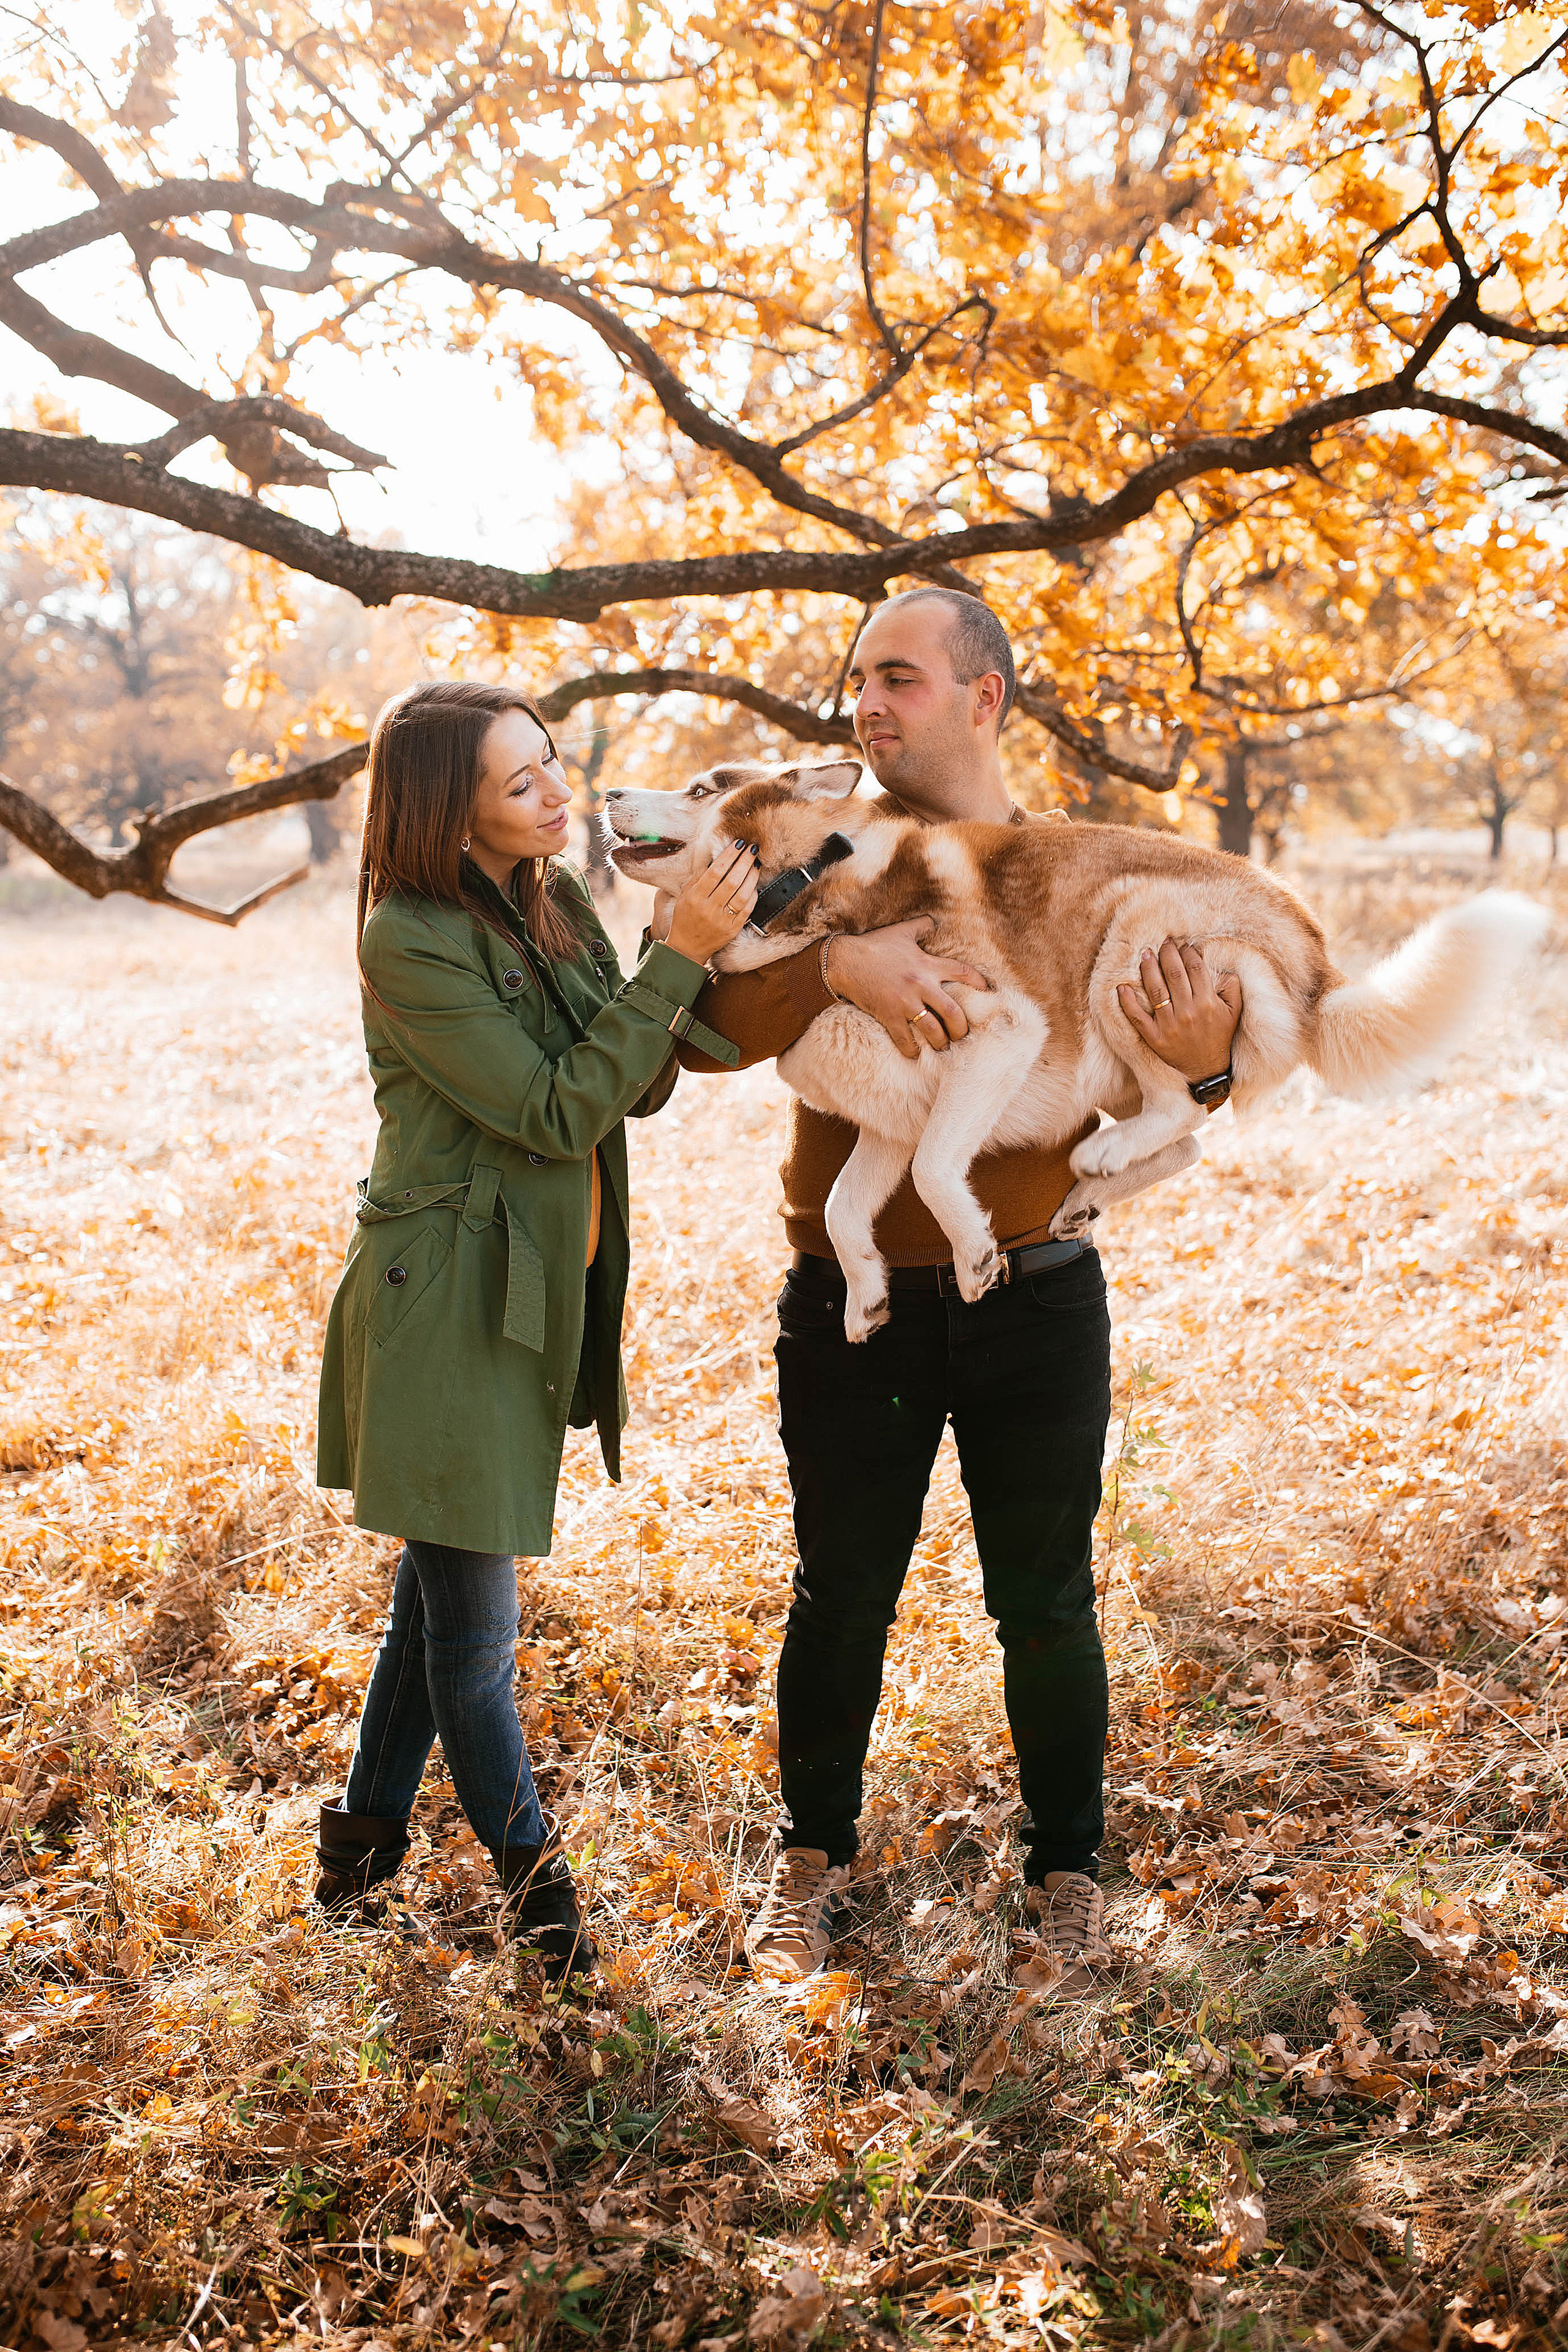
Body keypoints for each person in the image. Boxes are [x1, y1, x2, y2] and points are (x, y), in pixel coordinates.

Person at [671, 589, 1242, 1991]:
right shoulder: (810, 853)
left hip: (1035, 1292)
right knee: (838, 1593)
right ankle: (810, 1865)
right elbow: (696, 1029)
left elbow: (1186, 1051)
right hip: (849, 1300)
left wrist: (1213, 1061)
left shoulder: (1072, 868)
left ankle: (1067, 1878)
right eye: (856, 679)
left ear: (984, 698)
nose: (866, 702)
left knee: (1045, 1600)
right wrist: (836, 956)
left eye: (901, 679)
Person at [313, 680, 756, 1976]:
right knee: (477, 1635)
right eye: (522, 784)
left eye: (553, 763)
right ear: (454, 817)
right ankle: (544, 1909)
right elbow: (560, 1111)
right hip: (445, 1300)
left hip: (532, 1282)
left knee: (437, 1593)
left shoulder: (553, 899)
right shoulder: (409, 936)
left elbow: (644, 1078)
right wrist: (674, 956)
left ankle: (357, 1853)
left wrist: (708, 945)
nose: (562, 793)